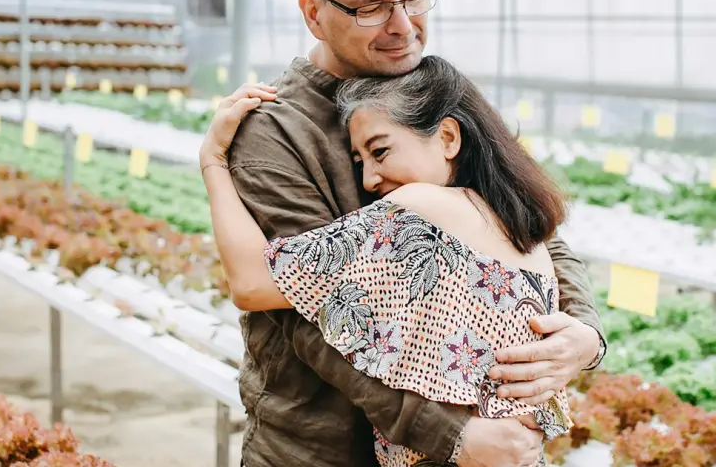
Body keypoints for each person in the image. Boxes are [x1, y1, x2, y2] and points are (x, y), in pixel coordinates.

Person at [207, 0, 606, 467]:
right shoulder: (275, 128)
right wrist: (451, 435)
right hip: (319, 449)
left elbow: (521, 215)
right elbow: (308, 316)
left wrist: (584, 332)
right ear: (313, 13)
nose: (403, 25)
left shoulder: (427, 85)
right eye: (371, 7)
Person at [201, 55, 576, 467]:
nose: (368, 180)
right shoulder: (527, 237)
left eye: (380, 151)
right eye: (360, 161)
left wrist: (213, 161)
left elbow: (253, 284)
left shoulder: (417, 210)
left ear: (448, 138)